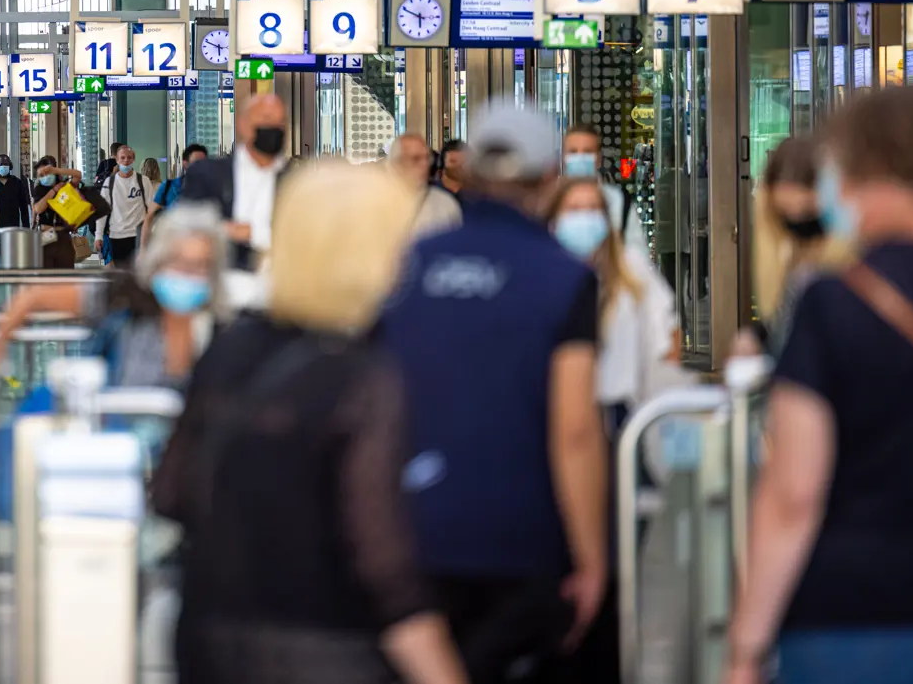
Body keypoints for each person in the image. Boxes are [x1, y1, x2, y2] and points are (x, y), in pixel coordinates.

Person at [150, 162, 468, 684]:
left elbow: (171, 493)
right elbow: (383, 566)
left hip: (208, 636)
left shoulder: (232, 347)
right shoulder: (365, 376)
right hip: (326, 648)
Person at [380, 101, 608, 683]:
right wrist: (592, 555)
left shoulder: (408, 266)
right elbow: (575, 429)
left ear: (468, 172)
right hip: (523, 535)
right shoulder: (562, 276)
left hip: (417, 529)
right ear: (552, 176)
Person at [725, 88, 913, 684]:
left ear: (862, 173)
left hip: (856, 612)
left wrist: (746, 646)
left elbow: (793, 495)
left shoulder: (836, 300)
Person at [0, 201, 224, 385]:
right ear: (158, 261)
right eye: (179, 262)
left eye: (201, 266)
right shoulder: (124, 295)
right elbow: (33, 296)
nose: (188, 276)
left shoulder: (224, 318)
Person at [545, 177, 680, 429]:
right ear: (554, 222)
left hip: (624, 410)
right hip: (560, 412)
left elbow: (668, 337)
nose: (584, 219)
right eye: (574, 209)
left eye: (593, 209)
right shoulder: (541, 276)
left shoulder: (632, 270)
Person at [179, 92, 291, 312]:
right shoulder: (208, 174)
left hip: (280, 297)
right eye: (267, 119)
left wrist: (252, 233)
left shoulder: (296, 180)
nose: (274, 127)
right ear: (243, 125)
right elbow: (189, 226)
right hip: (219, 296)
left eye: (281, 122)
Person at [738, 135, 841, 359]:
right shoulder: (786, 256)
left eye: (806, 212)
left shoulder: (845, 266)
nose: (797, 224)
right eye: (785, 214)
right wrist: (757, 337)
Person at [561, 123, 647, 257]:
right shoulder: (548, 203)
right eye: (573, 151)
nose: (580, 157)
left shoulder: (620, 203)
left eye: (588, 151)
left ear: (599, 158)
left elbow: (638, 257)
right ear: (563, 156)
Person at [390, 133, 464, 238]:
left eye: (427, 158)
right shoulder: (376, 202)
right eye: (416, 159)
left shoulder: (445, 203)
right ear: (396, 164)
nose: (424, 165)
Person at [99, 145, 149, 267]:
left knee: (139, 272)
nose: (126, 161)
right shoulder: (109, 182)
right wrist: (98, 235)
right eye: (122, 158)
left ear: (133, 159)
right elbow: (102, 211)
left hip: (138, 235)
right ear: (117, 160)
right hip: (117, 235)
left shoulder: (143, 181)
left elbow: (150, 208)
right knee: (121, 272)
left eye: (129, 157)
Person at [30, 157, 85, 268]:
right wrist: (54, 190)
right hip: (45, 234)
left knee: (65, 272)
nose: (45, 176)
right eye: (41, 175)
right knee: (45, 272)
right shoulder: (39, 189)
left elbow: (77, 175)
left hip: (63, 234)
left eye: (47, 173)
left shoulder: (65, 186)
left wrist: (56, 170)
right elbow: (38, 208)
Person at [147, 144, 207, 231]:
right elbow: (150, 214)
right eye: (196, 162)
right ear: (185, 163)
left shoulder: (212, 187)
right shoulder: (168, 185)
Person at [0, 154, 31, 230]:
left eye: (6, 164)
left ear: (10, 166)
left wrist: (26, 226)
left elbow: (23, 205)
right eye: (1, 164)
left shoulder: (17, 182)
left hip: (13, 223)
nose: (3, 166)